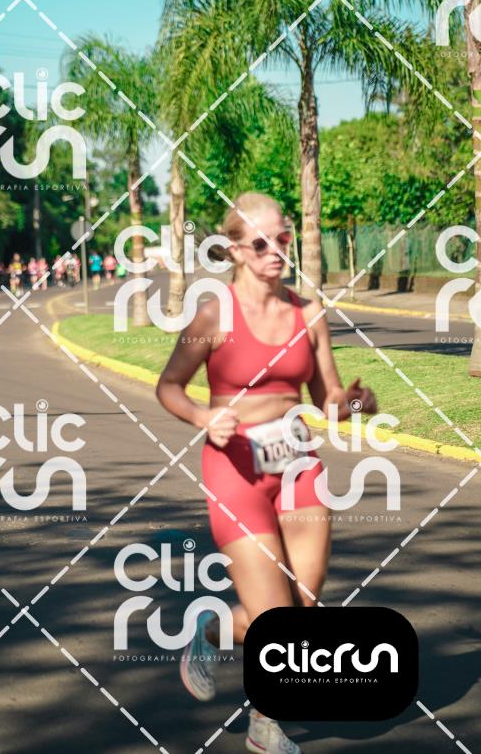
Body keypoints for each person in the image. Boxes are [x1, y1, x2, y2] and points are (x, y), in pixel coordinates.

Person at [156, 193, 377, 754]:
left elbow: (328, 400)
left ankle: (214, 631)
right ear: (234, 250)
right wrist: (204, 417)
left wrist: (356, 403)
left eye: (283, 238)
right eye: (260, 242)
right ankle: (266, 723)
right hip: (235, 469)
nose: (276, 250)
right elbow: (169, 386)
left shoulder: (309, 313)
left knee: (301, 608)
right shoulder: (214, 315)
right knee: (273, 617)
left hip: (298, 465)